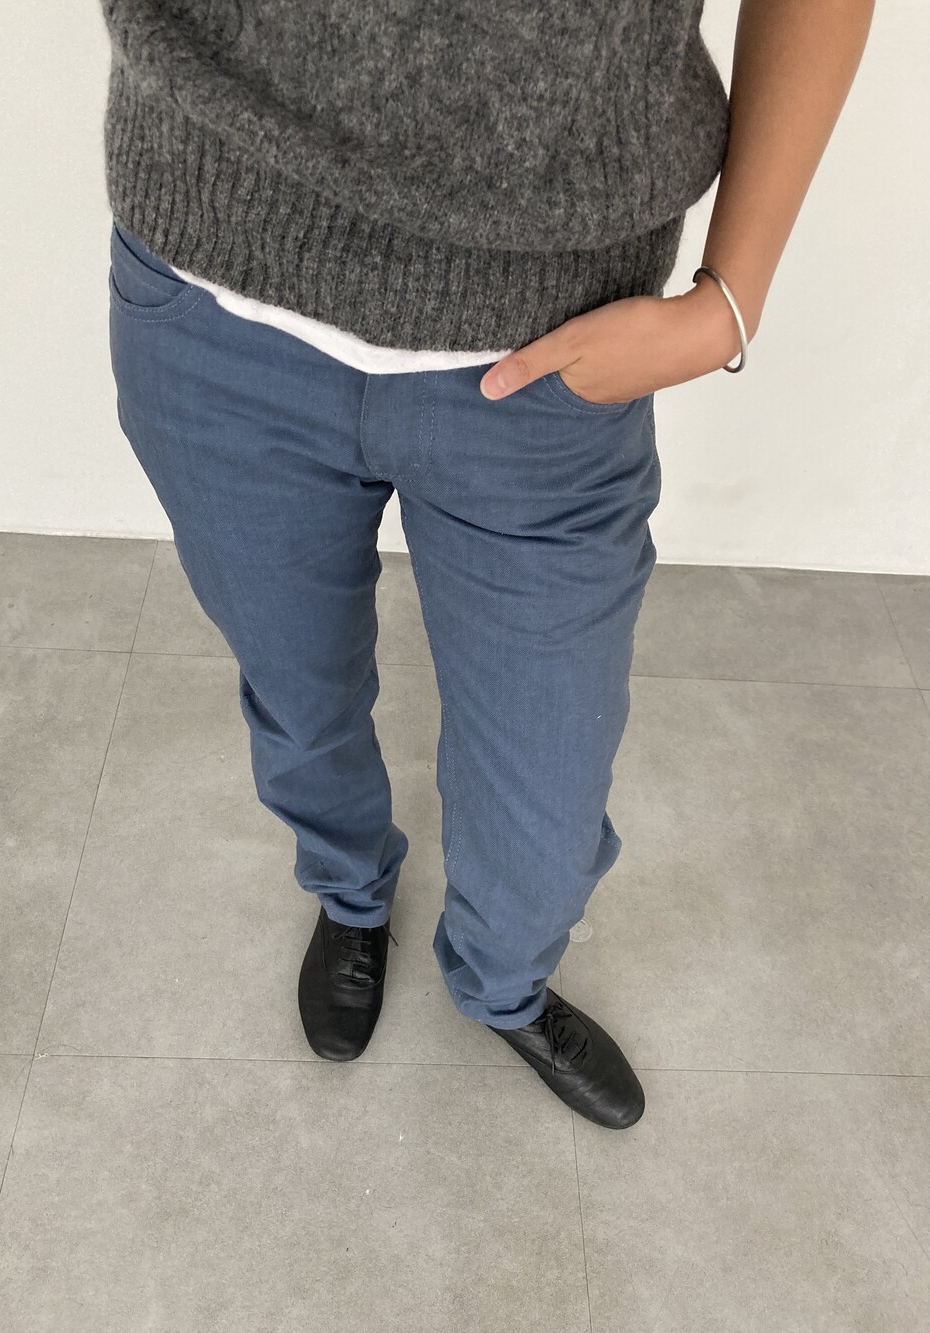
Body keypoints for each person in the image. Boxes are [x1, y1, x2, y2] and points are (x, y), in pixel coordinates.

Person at [99, 0, 873, 1129]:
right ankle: (350, 893)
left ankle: (504, 981)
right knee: (298, 692)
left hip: (549, 347)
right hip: (215, 304)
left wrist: (729, 305)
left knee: (546, 808)